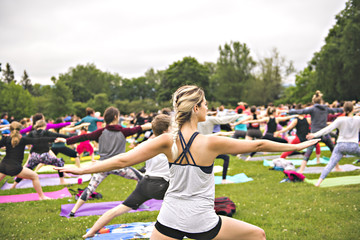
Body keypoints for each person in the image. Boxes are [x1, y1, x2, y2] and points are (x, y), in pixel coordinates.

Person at [56, 85, 319, 240]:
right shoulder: (210, 142)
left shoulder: (166, 140)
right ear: (195, 109)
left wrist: (80, 169)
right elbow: (258, 144)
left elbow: (122, 159)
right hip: (201, 221)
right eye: (205, 104)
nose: (208, 108)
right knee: (257, 235)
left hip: (169, 218)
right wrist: (295, 146)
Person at [82, 114, 171, 239]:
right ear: (165, 131)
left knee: (119, 209)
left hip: (145, 183)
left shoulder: (147, 143)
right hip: (162, 185)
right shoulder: (171, 144)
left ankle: (91, 231)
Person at [65, 106, 152, 217]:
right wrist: (153, 125)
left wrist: (67, 140)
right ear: (116, 117)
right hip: (119, 166)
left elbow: (85, 137)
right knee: (142, 179)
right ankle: (137, 203)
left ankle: (73, 211)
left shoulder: (101, 132)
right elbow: (140, 128)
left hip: (103, 166)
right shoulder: (123, 131)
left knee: (90, 188)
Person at [0, 122, 66, 200]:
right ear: (20, 129)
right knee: (34, 176)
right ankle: (42, 196)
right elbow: (39, 140)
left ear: (10, 129)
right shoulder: (23, 139)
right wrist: (55, 139)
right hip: (14, 167)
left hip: (3, 165)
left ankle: (41, 196)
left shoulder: (5, 139)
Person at [289, 90, 343, 173]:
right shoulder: (326, 108)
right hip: (325, 133)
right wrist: (349, 109)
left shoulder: (313, 109)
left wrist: (289, 111)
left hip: (314, 134)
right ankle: (337, 167)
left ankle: (301, 169)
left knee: (308, 152)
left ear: (313, 101)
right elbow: (337, 110)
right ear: (321, 101)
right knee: (333, 150)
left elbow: (301, 111)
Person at [307, 102, 360, 186]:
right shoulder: (358, 119)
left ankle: (318, 182)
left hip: (341, 146)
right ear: (353, 109)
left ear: (343, 110)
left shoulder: (340, 119)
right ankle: (318, 182)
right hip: (354, 146)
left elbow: (327, 129)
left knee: (330, 164)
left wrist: (314, 134)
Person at [11, 120, 70, 188]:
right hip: (45, 156)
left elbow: (23, 139)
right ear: (44, 126)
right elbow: (57, 135)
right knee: (60, 162)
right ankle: (62, 181)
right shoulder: (46, 132)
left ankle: (14, 185)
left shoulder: (32, 133)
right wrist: (68, 137)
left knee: (27, 169)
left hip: (34, 157)